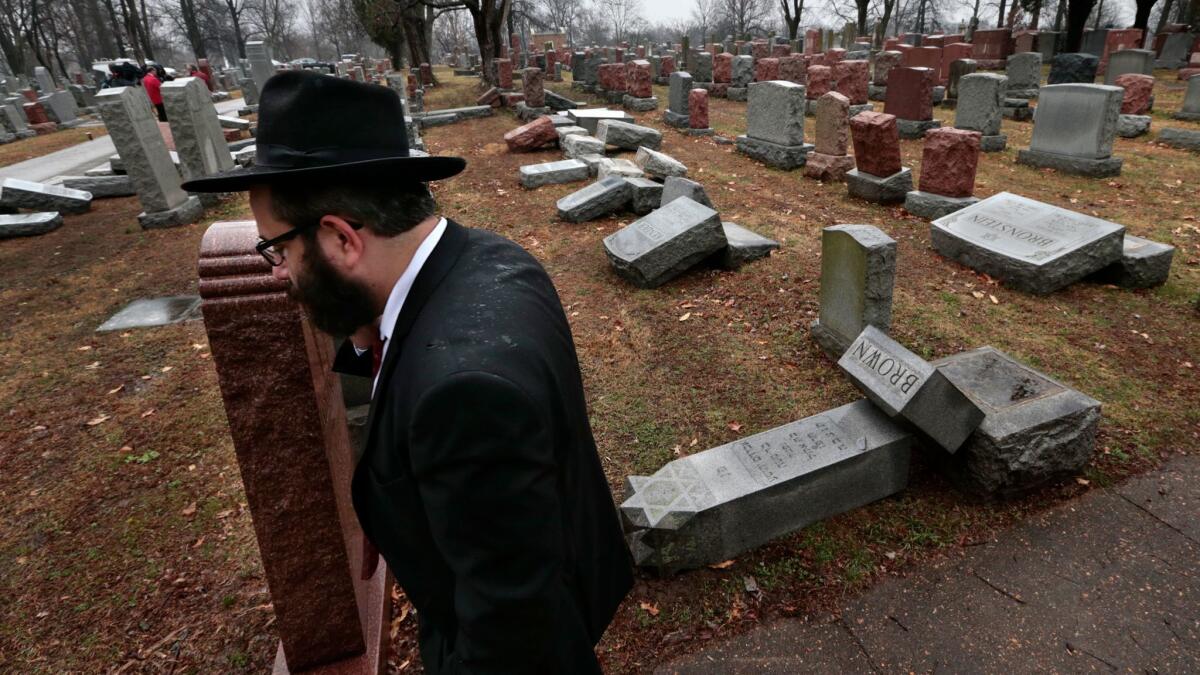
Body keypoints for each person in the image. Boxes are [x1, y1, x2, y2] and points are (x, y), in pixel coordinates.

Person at [180, 70, 633, 674]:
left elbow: (513, 641)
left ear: (341, 237)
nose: (275, 272)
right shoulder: (489, 256)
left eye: (277, 248)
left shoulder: (461, 395)